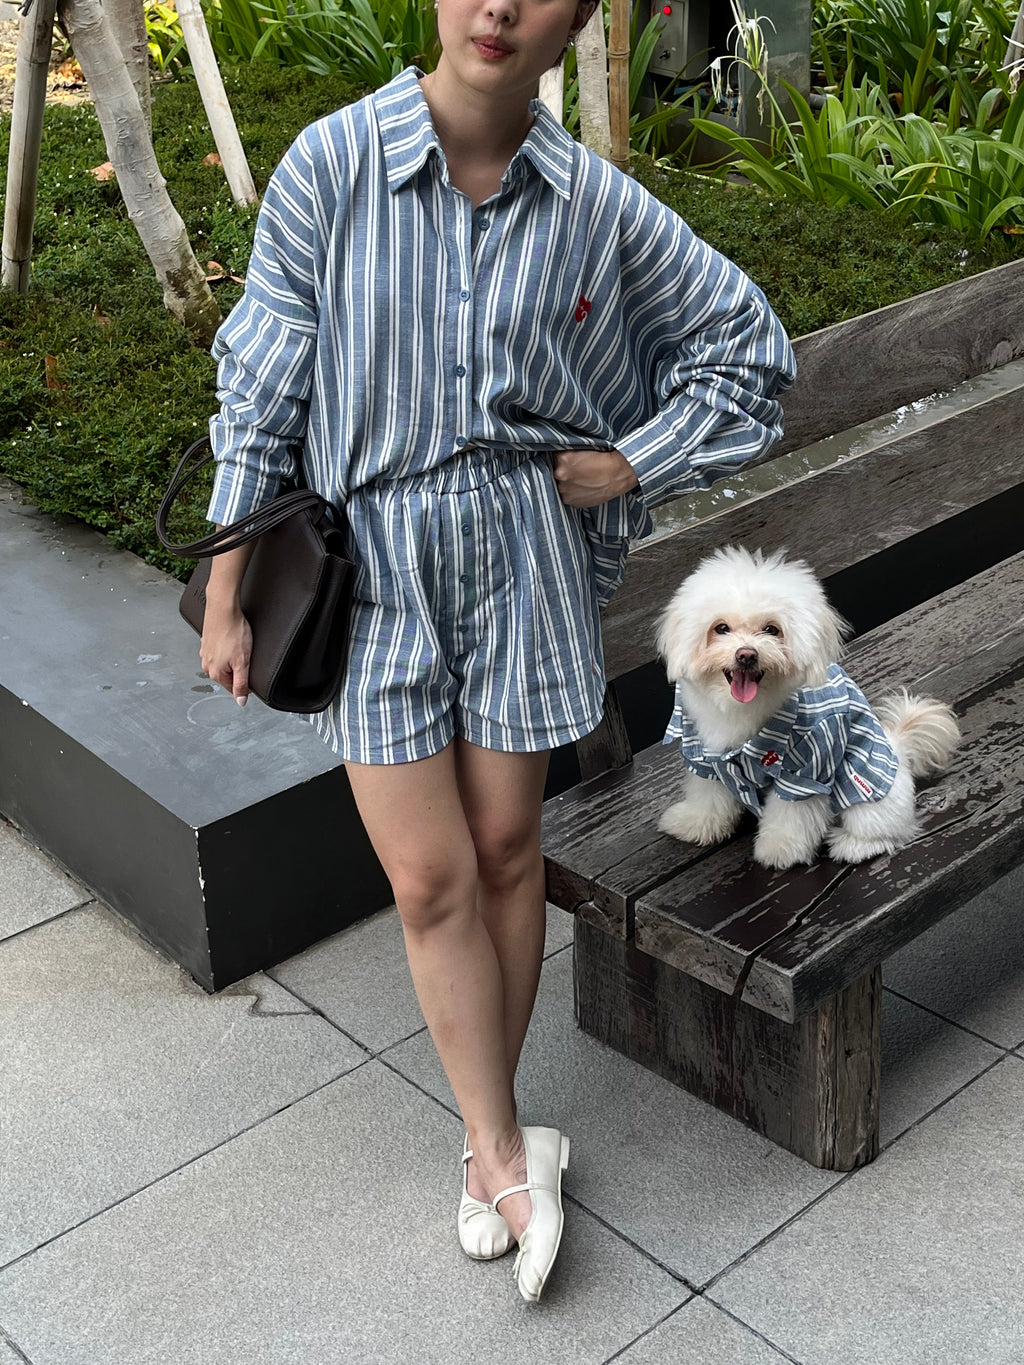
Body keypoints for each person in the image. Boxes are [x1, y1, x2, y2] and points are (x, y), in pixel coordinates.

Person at [198, 0, 796, 1304]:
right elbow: (262, 381)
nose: (501, 8)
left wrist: (636, 459)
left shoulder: (591, 204)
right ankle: (506, 1144)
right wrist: (227, 584)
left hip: (523, 560)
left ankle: (495, 1141)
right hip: (375, 569)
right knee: (429, 877)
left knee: (510, 850)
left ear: (580, 18)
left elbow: (752, 349)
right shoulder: (336, 165)